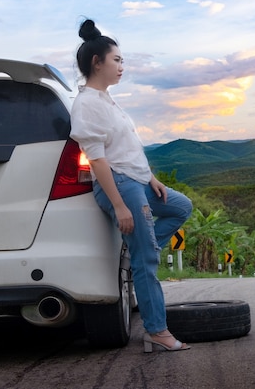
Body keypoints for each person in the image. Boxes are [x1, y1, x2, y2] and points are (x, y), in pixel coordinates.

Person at [70, 19, 192, 352]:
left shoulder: (108, 101)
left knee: (181, 206)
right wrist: (120, 205)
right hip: (120, 186)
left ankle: (141, 250)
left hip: (137, 179)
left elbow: (126, 149)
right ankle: (156, 330)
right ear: (98, 63)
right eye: (117, 60)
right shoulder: (87, 105)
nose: (122, 66)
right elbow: (97, 160)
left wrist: (151, 177)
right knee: (146, 264)